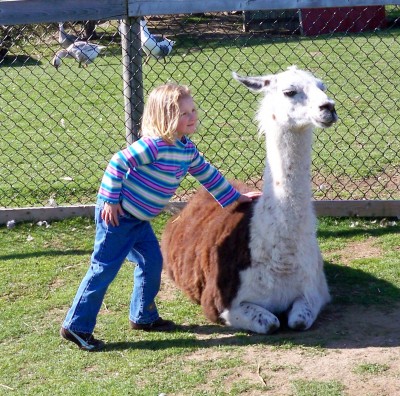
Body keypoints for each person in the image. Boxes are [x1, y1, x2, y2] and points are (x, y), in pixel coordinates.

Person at [60, 83, 261, 351]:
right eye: (184, 114)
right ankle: (76, 326)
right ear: (166, 118)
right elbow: (118, 162)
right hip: (119, 217)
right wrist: (109, 199)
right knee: (103, 268)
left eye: (193, 110)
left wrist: (238, 198)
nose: (192, 117)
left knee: (152, 263)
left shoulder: (186, 149)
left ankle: (143, 316)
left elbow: (209, 177)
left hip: (139, 222)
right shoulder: (154, 146)